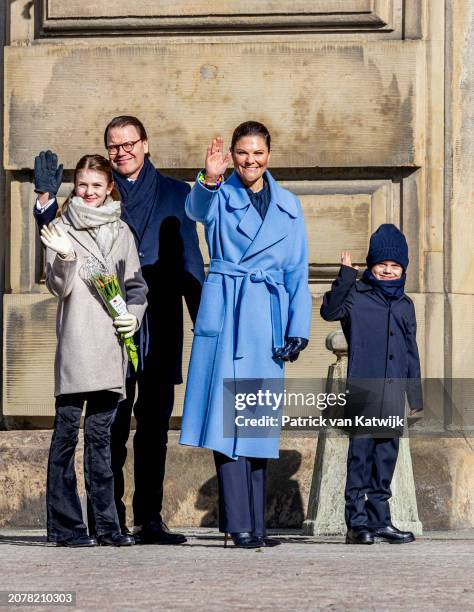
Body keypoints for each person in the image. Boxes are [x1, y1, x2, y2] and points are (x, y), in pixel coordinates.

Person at [33, 116, 204, 544]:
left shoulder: (177, 194)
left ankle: (150, 518)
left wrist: (205, 326)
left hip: (157, 323)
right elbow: (60, 237)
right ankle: (108, 519)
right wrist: (43, 202)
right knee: (108, 428)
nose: (122, 151)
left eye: (130, 143)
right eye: (114, 145)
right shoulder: (97, 194)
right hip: (105, 334)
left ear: (145, 145)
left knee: (154, 427)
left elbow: (190, 264)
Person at [179, 121, 312, 548]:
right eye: (242, 153)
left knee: (255, 419)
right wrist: (210, 177)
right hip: (227, 310)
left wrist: (298, 327)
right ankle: (238, 525)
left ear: (268, 154)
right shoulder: (219, 194)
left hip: (266, 318)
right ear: (232, 155)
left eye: (257, 153)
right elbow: (195, 210)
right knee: (225, 419)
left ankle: (255, 524)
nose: (250, 160)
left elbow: (298, 273)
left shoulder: (289, 206)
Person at [41, 154, 148, 547]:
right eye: (83, 185)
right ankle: (66, 527)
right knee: (66, 437)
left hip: (109, 347)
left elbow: (136, 286)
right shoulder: (60, 227)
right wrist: (66, 257)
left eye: (97, 186)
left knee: (102, 441)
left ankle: (107, 526)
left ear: (109, 189)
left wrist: (133, 316)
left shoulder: (121, 231)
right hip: (75, 344)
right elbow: (58, 287)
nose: (89, 192)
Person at [320, 224, 423, 545]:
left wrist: (415, 395)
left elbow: (410, 350)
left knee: (386, 457)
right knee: (361, 457)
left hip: (393, 395)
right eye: (383, 265)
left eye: (395, 266)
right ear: (371, 265)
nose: (389, 271)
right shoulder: (356, 295)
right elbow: (329, 311)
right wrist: (346, 277)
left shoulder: (405, 304)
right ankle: (357, 522)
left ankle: (381, 520)